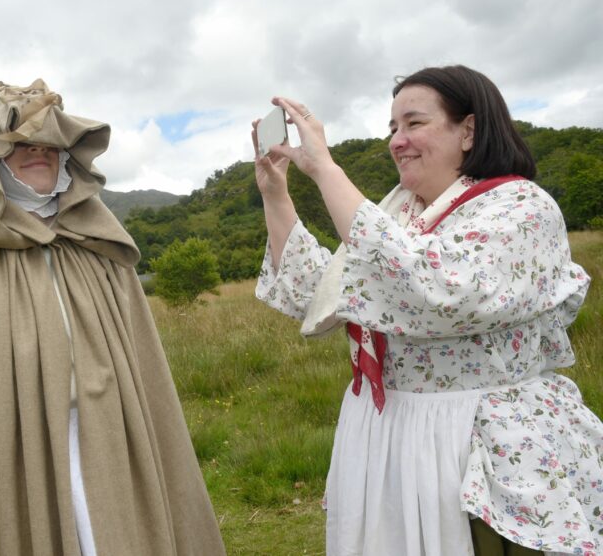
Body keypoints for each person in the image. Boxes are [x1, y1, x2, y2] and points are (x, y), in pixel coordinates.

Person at [253, 65, 602, 555]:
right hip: (387, 431)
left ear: (469, 130)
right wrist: (275, 193)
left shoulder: (522, 207)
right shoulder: (400, 217)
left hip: (475, 438)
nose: (398, 140)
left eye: (414, 123)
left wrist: (326, 169)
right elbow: (324, 295)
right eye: (393, 128)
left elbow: (437, 290)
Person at [0, 79, 226, 556]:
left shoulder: (98, 247)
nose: (39, 150)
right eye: (21, 142)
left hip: (107, 444)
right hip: (7, 452)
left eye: (49, 142)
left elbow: (145, 380)